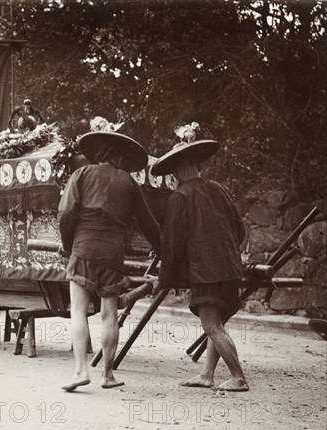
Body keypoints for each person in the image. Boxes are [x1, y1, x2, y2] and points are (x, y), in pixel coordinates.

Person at [58, 119, 162, 391]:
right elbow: (148, 222)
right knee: (109, 315)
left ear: (100, 153)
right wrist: (163, 250)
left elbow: (66, 213)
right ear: (118, 156)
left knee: (78, 312)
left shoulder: (80, 175)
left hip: (84, 248)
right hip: (113, 253)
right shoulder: (128, 182)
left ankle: (80, 370)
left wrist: (69, 246)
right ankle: (107, 375)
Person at [150, 129, 249, 392]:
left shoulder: (179, 197)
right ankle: (207, 374)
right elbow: (240, 232)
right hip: (229, 268)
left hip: (207, 273)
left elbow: (172, 247)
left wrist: (164, 279)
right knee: (217, 322)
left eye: (174, 171)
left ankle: (238, 377)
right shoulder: (219, 189)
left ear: (179, 171)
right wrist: (224, 253)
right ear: (197, 165)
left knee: (211, 325)